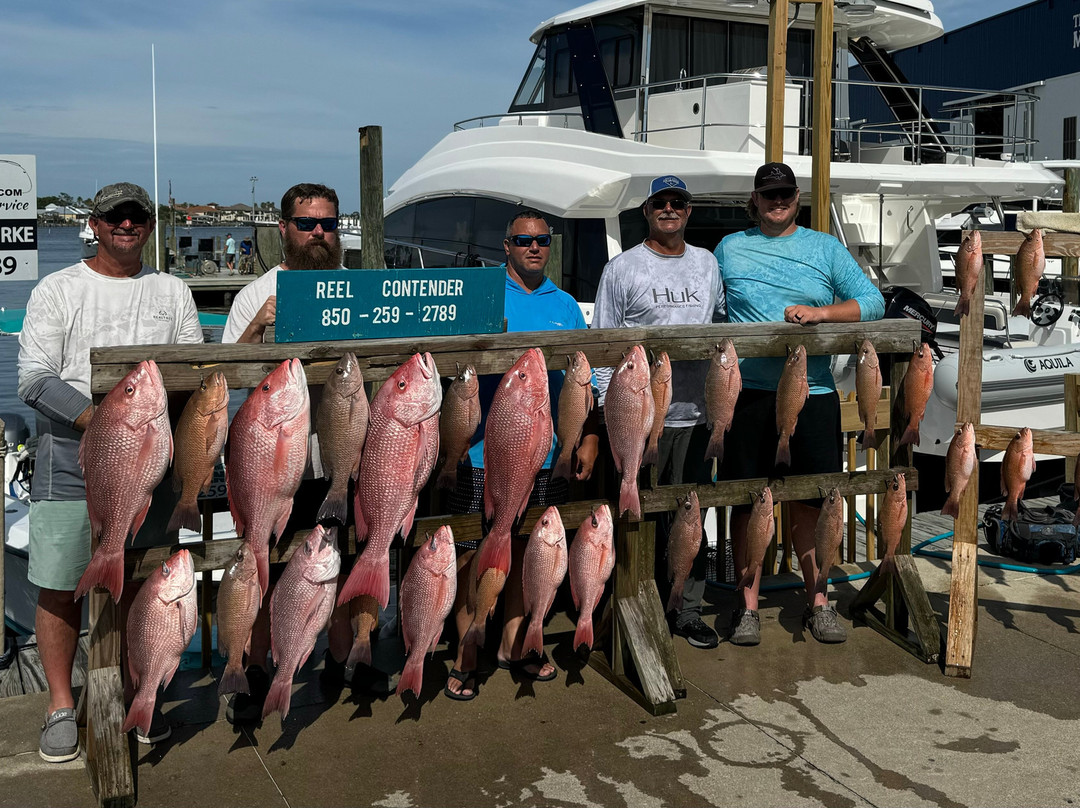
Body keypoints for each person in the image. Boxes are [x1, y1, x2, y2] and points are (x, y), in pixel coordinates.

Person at [18, 182, 203, 761]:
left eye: (137, 217)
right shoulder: (58, 290)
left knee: (143, 585)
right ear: (94, 225)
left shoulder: (172, 291)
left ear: (149, 226)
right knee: (58, 585)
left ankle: (134, 694)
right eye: (114, 217)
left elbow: (192, 367)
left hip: (148, 468)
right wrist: (105, 423)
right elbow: (34, 377)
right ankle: (60, 704)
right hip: (67, 467)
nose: (127, 225)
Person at [714, 161, 885, 646]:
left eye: (785, 194)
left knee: (813, 501)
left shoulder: (825, 247)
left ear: (796, 199)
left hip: (816, 396)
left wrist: (821, 314)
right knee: (748, 501)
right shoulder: (729, 248)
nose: (778, 201)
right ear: (755, 200)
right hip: (746, 395)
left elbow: (871, 302)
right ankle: (747, 606)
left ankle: (817, 600)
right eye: (769, 195)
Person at [444, 210, 599, 701]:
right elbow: (453, 367)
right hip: (482, 456)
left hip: (546, 454)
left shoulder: (568, 306)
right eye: (523, 240)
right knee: (473, 554)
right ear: (505, 246)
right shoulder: (482, 295)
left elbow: (586, 382)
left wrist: (589, 436)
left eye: (542, 240)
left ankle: (514, 641)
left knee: (530, 551)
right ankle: (468, 646)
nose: (534, 247)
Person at [221, 182, 360, 721]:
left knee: (340, 570)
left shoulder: (358, 290)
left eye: (328, 223)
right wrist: (260, 327)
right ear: (284, 229)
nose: (319, 234)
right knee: (265, 570)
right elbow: (227, 378)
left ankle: (341, 660)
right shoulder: (254, 295)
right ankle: (254, 672)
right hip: (271, 466)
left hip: (338, 464)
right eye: (307, 224)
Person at [592, 175, 727, 651]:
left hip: (697, 420)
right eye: (660, 203)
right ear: (646, 211)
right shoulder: (622, 268)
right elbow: (604, 348)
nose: (669, 209)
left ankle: (687, 609)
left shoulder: (708, 265)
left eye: (678, 202)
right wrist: (613, 419)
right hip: (640, 423)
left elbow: (722, 326)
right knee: (638, 519)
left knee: (691, 521)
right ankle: (639, 604)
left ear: (689, 212)